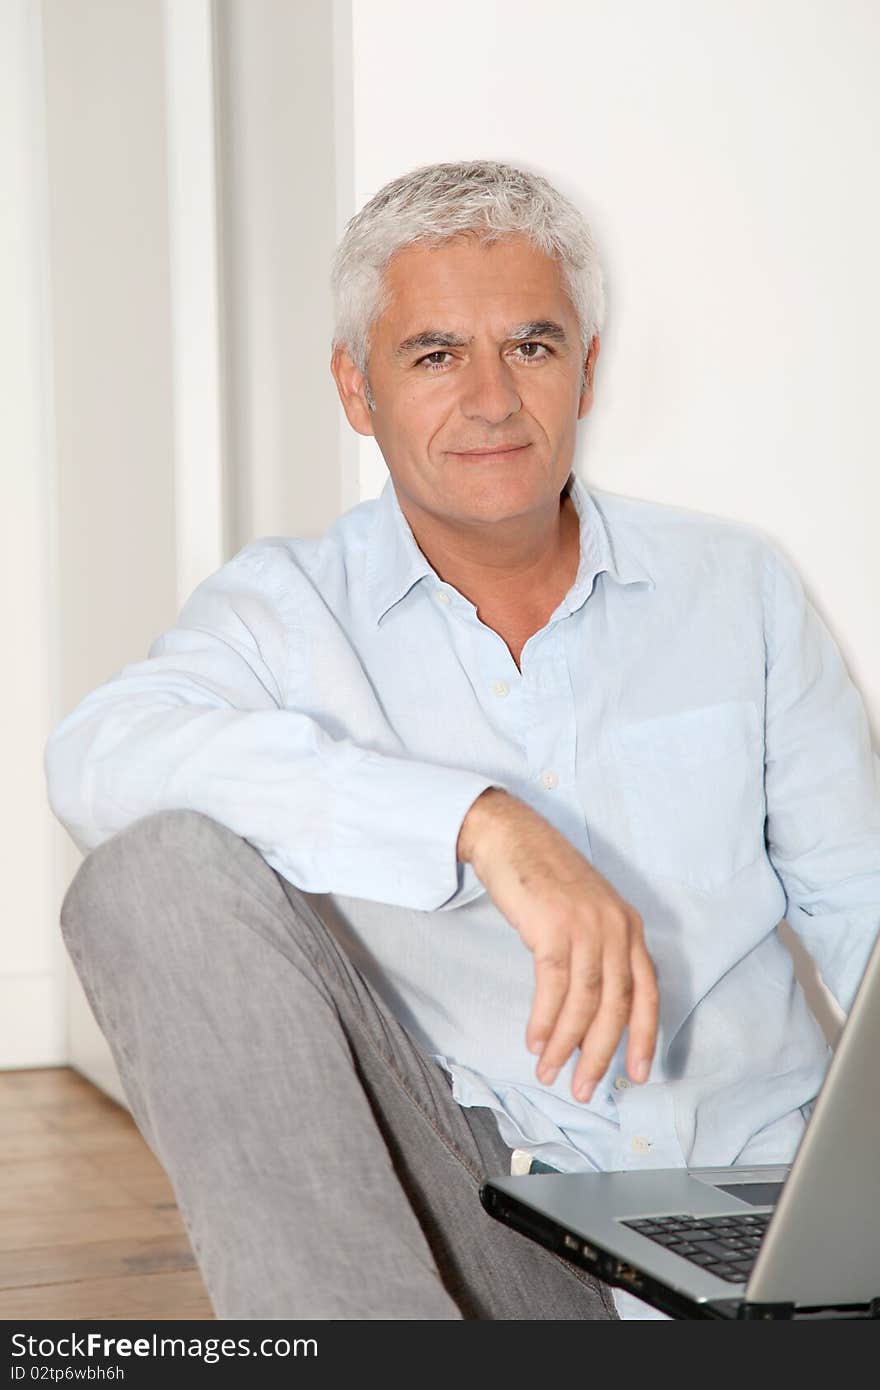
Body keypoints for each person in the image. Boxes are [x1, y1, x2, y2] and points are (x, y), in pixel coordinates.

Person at [44, 159, 880, 1322]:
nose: (491, 399)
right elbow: (95, 760)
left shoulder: (735, 588)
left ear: (585, 369)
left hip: (768, 1222)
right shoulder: (287, 610)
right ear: (356, 388)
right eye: (435, 355)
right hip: (495, 1232)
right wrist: (476, 824)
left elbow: (861, 905)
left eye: (531, 347)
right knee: (153, 878)